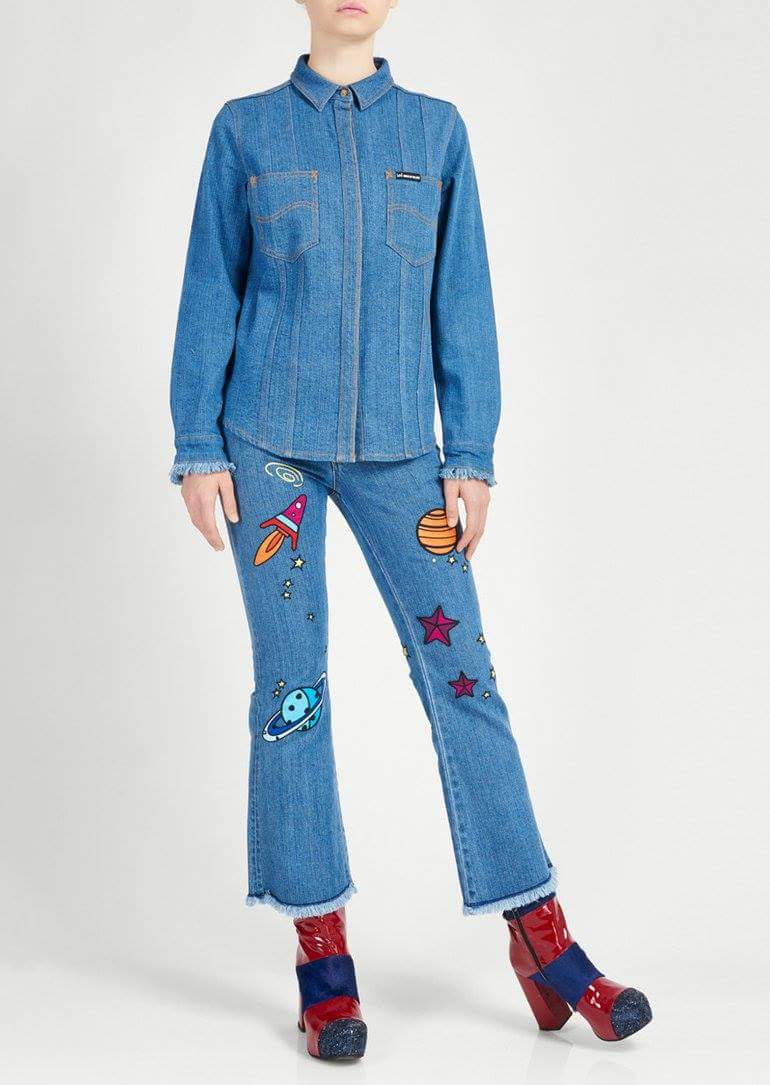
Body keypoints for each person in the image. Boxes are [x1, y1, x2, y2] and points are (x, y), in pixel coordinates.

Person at [169, 0, 652, 1061]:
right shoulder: (245, 129)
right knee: (291, 690)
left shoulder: (436, 131)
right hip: (268, 447)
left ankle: (540, 934)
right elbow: (211, 285)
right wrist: (197, 443)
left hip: (402, 453)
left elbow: (462, 298)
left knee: (465, 677)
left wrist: (468, 453)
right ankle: (322, 957)